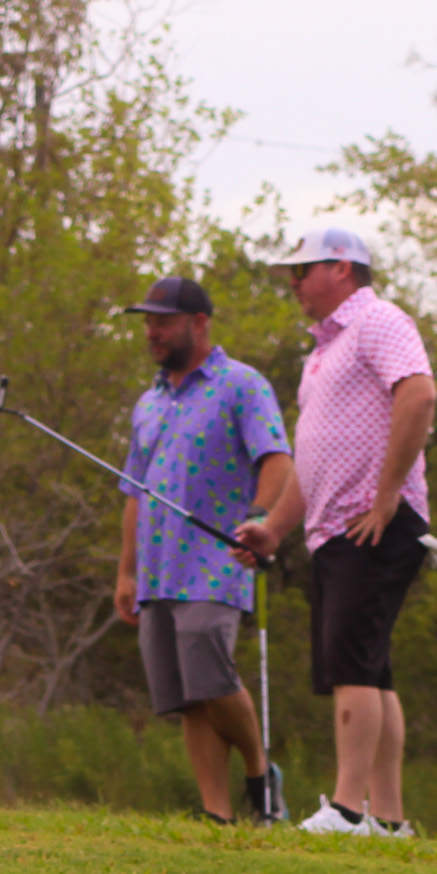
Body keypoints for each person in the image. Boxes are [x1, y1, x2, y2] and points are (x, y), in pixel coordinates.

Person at [233, 227, 437, 837]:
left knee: (353, 666)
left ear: (342, 268)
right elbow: (312, 457)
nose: (293, 283)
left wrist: (385, 497)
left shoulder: (378, 320)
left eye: (303, 270)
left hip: (372, 524)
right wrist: (274, 529)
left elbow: (419, 395)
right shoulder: (323, 352)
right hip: (335, 531)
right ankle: (389, 821)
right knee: (371, 670)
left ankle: (347, 810)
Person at [113, 276, 294, 825]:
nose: (153, 332)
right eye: (148, 322)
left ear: (199, 323)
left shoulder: (242, 385)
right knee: (186, 698)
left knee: (211, 671)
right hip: (157, 571)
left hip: (216, 562)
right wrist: (125, 572)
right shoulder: (148, 403)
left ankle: (260, 775)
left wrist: (259, 518)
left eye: (163, 322)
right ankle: (218, 815)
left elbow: (277, 460)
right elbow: (133, 492)